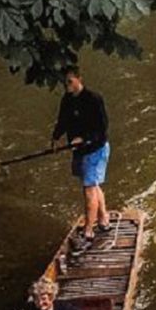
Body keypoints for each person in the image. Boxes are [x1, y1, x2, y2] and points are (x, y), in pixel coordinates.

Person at [50, 67, 111, 238]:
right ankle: (103, 218)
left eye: (69, 81)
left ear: (79, 79)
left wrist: (84, 138)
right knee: (93, 184)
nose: (66, 86)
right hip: (79, 150)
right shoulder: (67, 100)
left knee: (88, 189)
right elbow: (62, 121)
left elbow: (102, 128)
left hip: (95, 149)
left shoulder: (94, 99)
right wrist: (55, 138)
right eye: (64, 83)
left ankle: (88, 231)